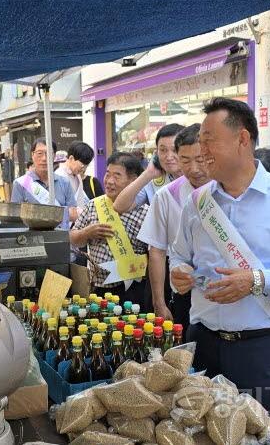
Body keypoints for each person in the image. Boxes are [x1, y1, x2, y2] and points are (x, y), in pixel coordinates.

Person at [170, 98, 270, 435]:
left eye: (209, 138)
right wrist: (178, 273)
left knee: (266, 434)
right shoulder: (197, 202)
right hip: (205, 343)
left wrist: (256, 280)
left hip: (264, 347)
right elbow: (178, 255)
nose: (202, 148)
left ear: (243, 138)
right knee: (203, 434)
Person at [137, 124, 210, 329]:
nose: (194, 168)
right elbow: (157, 251)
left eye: (200, 160)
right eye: (185, 160)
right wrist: (159, 302)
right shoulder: (167, 195)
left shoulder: (227, 191)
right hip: (182, 288)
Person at [70, 152, 148, 304]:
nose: (109, 181)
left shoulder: (145, 212)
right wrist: (87, 233)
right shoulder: (94, 205)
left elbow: (154, 253)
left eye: (117, 176)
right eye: (107, 174)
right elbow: (72, 238)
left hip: (132, 289)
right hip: (97, 289)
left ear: (133, 180)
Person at [112, 124, 185, 213]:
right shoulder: (154, 181)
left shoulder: (198, 178)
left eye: (174, 150)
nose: (169, 157)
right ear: (156, 153)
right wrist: (148, 174)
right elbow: (118, 207)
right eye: (163, 150)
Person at [11, 138, 77, 227]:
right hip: (32, 238)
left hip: (60, 237)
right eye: (39, 154)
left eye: (48, 153)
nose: (44, 158)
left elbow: (73, 213)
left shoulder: (65, 183)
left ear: (54, 156)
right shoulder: (21, 184)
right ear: (32, 155)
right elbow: (15, 218)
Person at [55, 141, 95, 210]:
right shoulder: (59, 176)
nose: (84, 169)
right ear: (71, 158)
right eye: (82, 166)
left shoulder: (78, 176)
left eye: (86, 166)